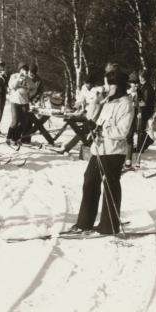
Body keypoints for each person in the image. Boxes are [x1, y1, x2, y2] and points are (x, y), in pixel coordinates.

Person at [68, 69, 134, 235]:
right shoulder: (106, 101)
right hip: (98, 149)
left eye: (108, 84)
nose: (105, 87)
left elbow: (122, 131)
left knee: (110, 186)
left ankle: (109, 225)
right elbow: (91, 118)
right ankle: (84, 223)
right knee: (89, 181)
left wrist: (100, 129)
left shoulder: (126, 103)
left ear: (116, 85)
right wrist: (95, 102)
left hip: (113, 151)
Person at [7, 62, 37, 146]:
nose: (24, 71)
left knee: (24, 121)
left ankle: (16, 138)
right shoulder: (14, 76)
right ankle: (9, 138)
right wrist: (19, 78)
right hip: (15, 100)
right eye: (23, 69)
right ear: (20, 70)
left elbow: (34, 88)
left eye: (26, 70)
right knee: (15, 121)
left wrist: (30, 93)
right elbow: (11, 86)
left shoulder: (28, 79)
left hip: (24, 101)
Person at [20, 63, 44, 144]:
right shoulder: (24, 78)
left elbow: (40, 92)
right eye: (30, 72)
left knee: (30, 119)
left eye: (33, 73)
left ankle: (27, 139)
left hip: (33, 101)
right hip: (23, 100)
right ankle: (20, 137)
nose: (31, 74)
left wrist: (35, 100)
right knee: (23, 119)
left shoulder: (39, 80)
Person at [124, 72, 140, 168]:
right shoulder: (125, 92)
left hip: (133, 115)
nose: (135, 85)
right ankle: (122, 157)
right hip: (125, 115)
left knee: (130, 137)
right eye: (133, 83)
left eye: (136, 83)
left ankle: (128, 159)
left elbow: (140, 105)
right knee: (123, 136)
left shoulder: (138, 93)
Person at [137, 69, 156, 152]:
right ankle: (146, 142)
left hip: (145, 111)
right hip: (144, 110)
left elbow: (145, 102)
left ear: (142, 78)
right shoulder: (144, 86)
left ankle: (141, 146)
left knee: (140, 128)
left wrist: (138, 100)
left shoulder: (147, 88)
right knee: (139, 128)